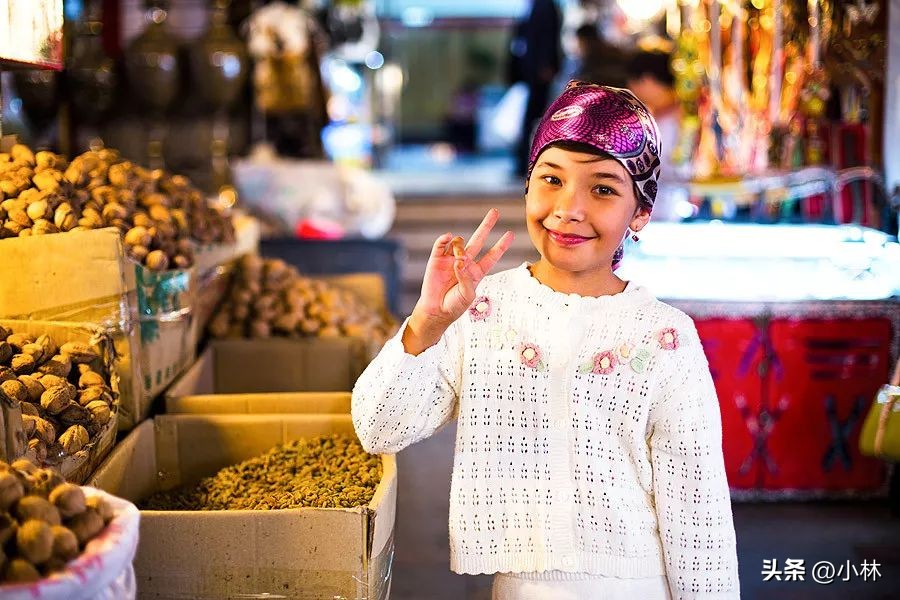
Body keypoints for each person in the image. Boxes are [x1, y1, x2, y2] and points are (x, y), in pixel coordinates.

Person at [352, 81, 740, 600]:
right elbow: (378, 429)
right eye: (551, 179)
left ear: (641, 212)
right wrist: (427, 323)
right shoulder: (481, 310)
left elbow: (699, 513)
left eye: (603, 189)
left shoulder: (665, 337)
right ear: (528, 186)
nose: (569, 208)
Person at [626, 50, 684, 221]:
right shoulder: (657, 117)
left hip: (668, 209)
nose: (632, 90)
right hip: (659, 209)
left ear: (647, 80)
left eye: (633, 83)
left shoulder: (682, 118)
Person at [513, 0, 563, 178]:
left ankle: (530, 162)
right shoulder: (539, 6)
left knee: (536, 119)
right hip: (536, 72)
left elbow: (544, 38)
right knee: (536, 119)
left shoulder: (541, 6)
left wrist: (545, 65)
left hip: (537, 71)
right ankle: (528, 162)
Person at [572, 23, 628, 88]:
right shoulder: (613, 51)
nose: (578, 46)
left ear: (584, 40)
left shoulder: (591, 60)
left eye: (579, 41)